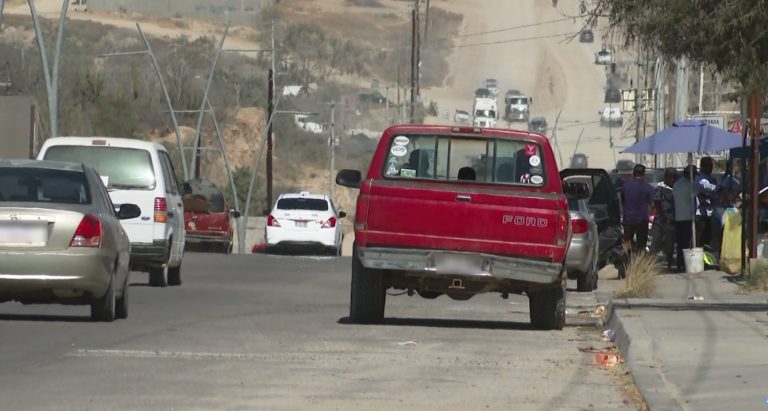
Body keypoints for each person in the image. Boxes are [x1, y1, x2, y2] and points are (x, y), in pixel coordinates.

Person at [620, 164, 654, 254]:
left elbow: (623, 201)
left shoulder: (625, 186)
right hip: (642, 220)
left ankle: (626, 262)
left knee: (627, 241)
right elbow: (653, 204)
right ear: (644, 174)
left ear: (633, 173)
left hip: (628, 219)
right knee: (641, 244)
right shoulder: (648, 187)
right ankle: (640, 264)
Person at [649, 167, 677, 270]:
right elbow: (656, 202)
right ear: (666, 177)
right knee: (655, 242)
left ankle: (669, 263)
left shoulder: (676, 187)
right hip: (661, 219)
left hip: (672, 219)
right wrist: (662, 216)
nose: (672, 180)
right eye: (670, 177)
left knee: (670, 244)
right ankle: (650, 265)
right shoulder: (660, 187)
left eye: (674, 177)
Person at [673, 164, 696, 272]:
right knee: (687, 243)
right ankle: (685, 264)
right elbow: (696, 195)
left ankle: (679, 263)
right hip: (688, 216)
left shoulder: (676, 184)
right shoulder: (690, 185)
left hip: (678, 216)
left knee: (680, 242)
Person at [695, 156, 719, 250]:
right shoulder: (700, 178)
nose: (711, 168)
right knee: (700, 238)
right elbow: (710, 188)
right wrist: (721, 186)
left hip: (709, 212)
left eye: (711, 166)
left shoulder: (710, 177)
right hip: (700, 214)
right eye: (709, 166)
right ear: (702, 166)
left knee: (707, 238)